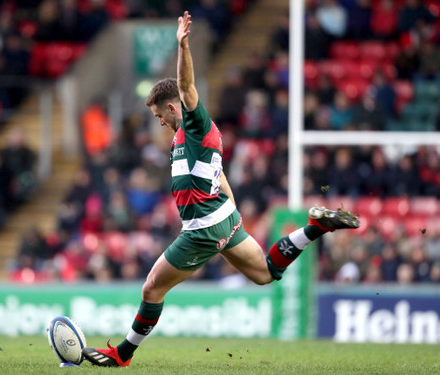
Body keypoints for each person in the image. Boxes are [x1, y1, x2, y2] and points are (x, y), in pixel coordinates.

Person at [82, 11, 360, 368]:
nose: (160, 123)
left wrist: (182, 45)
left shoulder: (194, 124)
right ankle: (315, 228)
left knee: (152, 288)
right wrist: (232, 208)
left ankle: (122, 355)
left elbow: (186, 88)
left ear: (170, 108)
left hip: (202, 226)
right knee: (264, 273)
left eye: (159, 116)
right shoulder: (183, 139)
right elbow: (218, 172)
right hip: (223, 216)